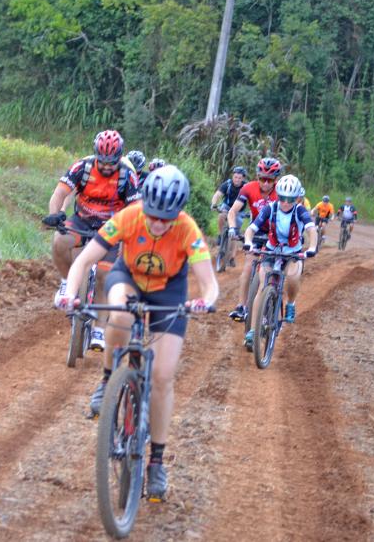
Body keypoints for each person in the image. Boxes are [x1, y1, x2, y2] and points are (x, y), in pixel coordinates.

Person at [55, 165, 218, 501]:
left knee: (162, 378)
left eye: (166, 218)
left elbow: (209, 283)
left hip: (168, 292)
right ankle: (107, 379)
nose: (158, 223)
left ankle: (156, 461)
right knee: (118, 312)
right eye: (153, 215)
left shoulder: (187, 229)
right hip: (126, 278)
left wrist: (204, 302)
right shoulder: (129, 216)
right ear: (145, 205)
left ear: (178, 213)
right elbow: (84, 261)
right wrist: (70, 294)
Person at [43, 130, 139, 351]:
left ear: (119, 158)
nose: (106, 167)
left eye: (111, 163)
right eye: (102, 162)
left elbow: (135, 209)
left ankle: (100, 329)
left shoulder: (128, 175)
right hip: (82, 221)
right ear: (96, 155)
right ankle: (68, 282)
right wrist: (56, 214)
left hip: (112, 229)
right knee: (59, 240)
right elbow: (59, 194)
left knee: (106, 275)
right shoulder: (82, 167)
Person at [241, 175, 317, 344]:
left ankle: (290, 303)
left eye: (289, 199)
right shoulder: (270, 208)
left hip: (292, 252)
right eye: (282, 197)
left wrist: (312, 247)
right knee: (262, 286)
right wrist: (248, 242)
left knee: (292, 276)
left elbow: (311, 230)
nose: (284, 202)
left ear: (297, 198)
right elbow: (251, 229)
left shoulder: (300, 211)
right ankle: (252, 331)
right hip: (271, 249)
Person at [226, 157, 281, 322]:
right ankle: (241, 306)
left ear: (275, 180)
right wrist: (232, 228)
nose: (265, 183)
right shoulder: (248, 188)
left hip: (275, 234)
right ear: (257, 177)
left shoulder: (281, 192)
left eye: (269, 180)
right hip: (255, 231)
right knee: (249, 266)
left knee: (273, 271)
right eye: (261, 178)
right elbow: (232, 211)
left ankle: (272, 303)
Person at [210, 166, 248, 267]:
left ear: (243, 178)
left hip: (238, 211)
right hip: (226, 207)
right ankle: (220, 234)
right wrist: (214, 204)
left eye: (239, 178)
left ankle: (232, 257)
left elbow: (252, 199)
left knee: (235, 235)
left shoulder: (246, 187)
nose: (237, 179)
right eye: (235, 177)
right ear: (233, 176)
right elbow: (217, 194)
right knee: (221, 216)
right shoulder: (227, 184)